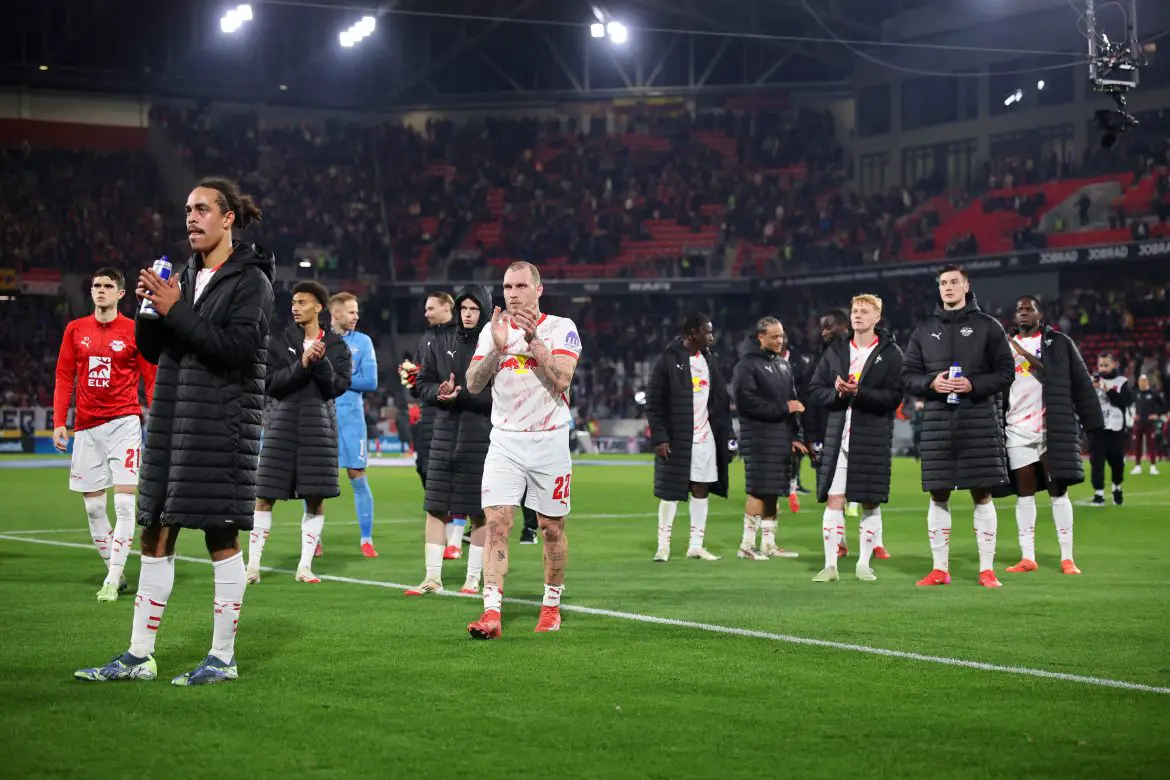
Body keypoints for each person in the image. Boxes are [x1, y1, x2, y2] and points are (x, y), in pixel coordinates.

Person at [75, 177, 275, 685]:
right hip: (170, 420)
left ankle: (222, 658)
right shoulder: (182, 275)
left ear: (227, 218)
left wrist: (176, 309)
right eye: (187, 209)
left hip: (222, 423)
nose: (191, 217)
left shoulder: (252, 281)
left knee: (219, 534)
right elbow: (152, 348)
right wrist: (149, 309)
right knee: (155, 531)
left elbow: (234, 350)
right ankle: (140, 655)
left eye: (203, 209)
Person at [463, 261, 581, 639]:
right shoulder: (492, 330)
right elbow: (472, 384)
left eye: (520, 286)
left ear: (538, 289)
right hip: (505, 442)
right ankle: (491, 612)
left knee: (550, 529)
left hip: (549, 441)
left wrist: (534, 345)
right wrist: (497, 350)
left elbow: (563, 379)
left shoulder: (562, 327)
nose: (512, 294)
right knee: (496, 525)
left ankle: (550, 606)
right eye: (507, 287)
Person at [902, 264, 1014, 588]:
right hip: (937, 423)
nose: (948, 287)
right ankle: (940, 569)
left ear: (966, 286)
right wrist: (931, 383)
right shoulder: (924, 329)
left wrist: (973, 384)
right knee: (938, 495)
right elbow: (907, 377)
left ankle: (986, 570)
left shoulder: (989, 326)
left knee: (982, 494)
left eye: (954, 282)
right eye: (943, 283)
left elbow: (1006, 373)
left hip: (979, 421)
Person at [53, 267, 157, 602]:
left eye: (107, 286)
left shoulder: (134, 330)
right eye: (96, 285)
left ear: (120, 293)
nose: (100, 290)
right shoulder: (75, 329)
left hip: (124, 424)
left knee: (125, 504)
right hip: (85, 428)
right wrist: (59, 421)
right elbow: (64, 376)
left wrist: (156, 418)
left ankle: (112, 578)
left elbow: (150, 376)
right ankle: (118, 569)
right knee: (95, 510)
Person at [247, 281, 352, 584]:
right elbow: (271, 383)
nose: (295, 307)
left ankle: (305, 565)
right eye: (293, 302)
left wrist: (320, 363)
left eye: (303, 302)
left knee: (314, 497)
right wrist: (303, 364)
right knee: (264, 495)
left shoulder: (336, 346)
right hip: (281, 426)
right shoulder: (278, 342)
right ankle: (253, 565)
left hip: (318, 429)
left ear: (319, 307)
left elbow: (336, 387)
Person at [999, 295, 1103, 576]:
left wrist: (1094, 424)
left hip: (1051, 428)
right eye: (1018, 308)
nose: (1022, 312)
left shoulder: (1059, 343)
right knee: (1024, 495)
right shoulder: (1001, 348)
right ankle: (1027, 556)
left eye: (1028, 309)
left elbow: (1073, 381)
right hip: (1015, 428)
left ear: (1040, 314)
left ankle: (1067, 557)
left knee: (1058, 492)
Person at [807, 294, 904, 582]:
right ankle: (830, 566)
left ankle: (864, 563)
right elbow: (815, 388)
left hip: (871, 435)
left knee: (869, 501)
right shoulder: (836, 351)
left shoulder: (891, 353)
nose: (858, 315)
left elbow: (895, 396)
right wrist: (837, 393)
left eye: (864, 311)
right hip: (838, 434)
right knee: (834, 499)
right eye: (855, 311)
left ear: (877, 318)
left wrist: (860, 393)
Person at [407, 285, 493, 596]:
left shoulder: (494, 343)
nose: (468, 315)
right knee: (434, 506)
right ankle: (432, 578)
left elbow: (498, 395)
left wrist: (464, 395)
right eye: (464, 309)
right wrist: (439, 392)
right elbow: (423, 382)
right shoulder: (439, 340)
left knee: (479, 511)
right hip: (442, 434)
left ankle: (472, 580)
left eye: (474, 309)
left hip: (479, 436)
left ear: (483, 310)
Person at [647, 312, 735, 562]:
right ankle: (663, 546)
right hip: (677, 437)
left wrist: (728, 436)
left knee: (701, 488)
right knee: (671, 491)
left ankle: (696, 545)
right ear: (692, 333)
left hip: (705, 436)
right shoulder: (667, 359)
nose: (711, 337)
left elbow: (721, 404)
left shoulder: (711, 361)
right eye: (707, 332)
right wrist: (660, 437)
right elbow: (654, 402)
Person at [733, 317, 805, 560]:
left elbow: (794, 402)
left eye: (781, 336)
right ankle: (746, 545)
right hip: (758, 438)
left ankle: (768, 544)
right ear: (760, 337)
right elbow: (747, 403)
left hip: (781, 438)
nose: (779, 340)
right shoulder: (747, 365)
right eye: (774, 336)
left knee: (773, 491)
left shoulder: (783, 366)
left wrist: (796, 435)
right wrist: (783, 408)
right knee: (758, 490)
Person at [329, 292, 380, 556]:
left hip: (351, 419)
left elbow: (370, 382)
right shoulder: (320, 339)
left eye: (356, 310)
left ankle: (366, 539)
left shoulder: (363, 341)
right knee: (317, 479)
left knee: (356, 475)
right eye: (351, 311)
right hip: (322, 416)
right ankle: (312, 541)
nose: (356, 315)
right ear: (335, 314)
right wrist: (349, 377)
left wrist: (334, 378)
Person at [1088, 351, 1133, 506]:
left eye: (1106, 365)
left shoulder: (1121, 381)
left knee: (1117, 462)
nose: (1103, 368)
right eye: (1101, 365)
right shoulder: (1092, 381)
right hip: (1098, 427)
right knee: (1096, 462)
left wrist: (1108, 390)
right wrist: (1091, 389)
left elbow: (1125, 401)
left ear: (1114, 364)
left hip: (1115, 428)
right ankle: (1098, 493)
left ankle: (1117, 487)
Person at [777, 328, 814, 505]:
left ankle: (794, 483)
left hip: (796, 411)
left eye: (782, 337)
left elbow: (806, 385)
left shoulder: (798, 360)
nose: (780, 341)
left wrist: (800, 404)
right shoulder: (766, 360)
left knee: (797, 450)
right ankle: (778, 484)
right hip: (776, 411)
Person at [1131, 374, 1163, 475]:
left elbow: (1163, 405)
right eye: (1141, 381)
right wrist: (1132, 414)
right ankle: (1137, 466)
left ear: (1147, 381)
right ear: (1139, 382)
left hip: (1150, 424)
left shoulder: (1153, 393)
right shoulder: (1136, 393)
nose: (1142, 383)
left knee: (1152, 445)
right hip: (1138, 424)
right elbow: (1129, 405)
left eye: (1144, 381)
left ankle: (1153, 466)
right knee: (1137, 445)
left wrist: (1157, 415)